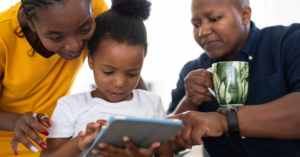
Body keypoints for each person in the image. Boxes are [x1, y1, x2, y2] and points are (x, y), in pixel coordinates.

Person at [0, 0, 148, 156]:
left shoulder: (93, 10)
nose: (75, 46)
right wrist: (16, 121)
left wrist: (157, 121)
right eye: (56, 38)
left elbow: (122, 63)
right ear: (29, 20)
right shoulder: (2, 37)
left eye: (84, 29)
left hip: (59, 145)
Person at [39, 0, 173, 157]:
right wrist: (79, 144)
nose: (120, 83)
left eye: (132, 74)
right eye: (108, 72)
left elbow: (166, 154)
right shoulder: (70, 107)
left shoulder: (151, 104)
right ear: (91, 61)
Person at [167, 0, 300, 156]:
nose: (202, 31)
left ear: (245, 15)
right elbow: (169, 144)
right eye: (196, 25)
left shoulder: (289, 42)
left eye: (214, 18)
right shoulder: (191, 71)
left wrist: (223, 121)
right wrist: (189, 101)